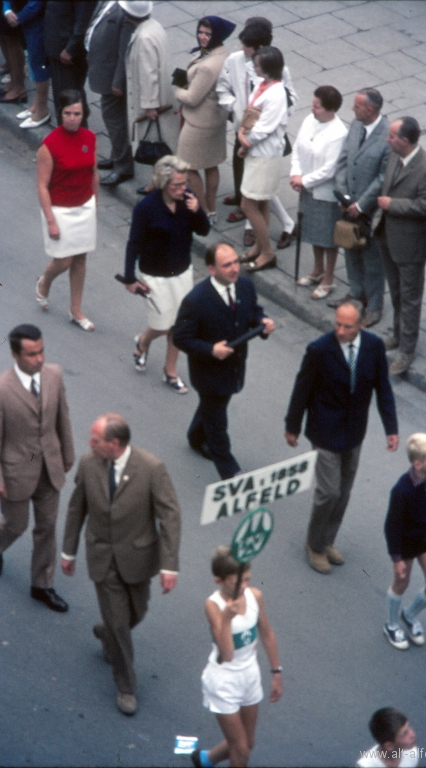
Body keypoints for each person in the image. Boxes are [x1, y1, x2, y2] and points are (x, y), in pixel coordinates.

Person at [61, 413, 181, 716]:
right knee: (119, 624)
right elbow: (77, 508)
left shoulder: (151, 468)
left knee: (136, 612)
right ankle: (126, 686)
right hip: (102, 556)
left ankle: (106, 633)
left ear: (114, 444)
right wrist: (68, 551)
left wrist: (169, 565)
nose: (90, 444)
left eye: (96, 440)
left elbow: (169, 517)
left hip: (137, 557)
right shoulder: (89, 464)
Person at [284, 300, 398, 574]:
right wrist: (293, 425)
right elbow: (302, 389)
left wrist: (390, 428)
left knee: (344, 491)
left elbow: (383, 388)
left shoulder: (373, 347)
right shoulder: (320, 350)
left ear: (361, 325)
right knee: (329, 491)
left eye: (347, 326)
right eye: (337, 323)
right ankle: (314, 545)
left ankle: (327, 540)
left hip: (354, 430)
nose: (340, 331)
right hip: (325, 430)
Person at [0, 324, 74, 612]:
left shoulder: (54, 375)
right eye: (32, 354)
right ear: (15, 354)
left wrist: (67, 456)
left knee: (47, 527)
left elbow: (63, 418)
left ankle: (42, 586)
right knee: (16, 525)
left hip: (49, 467)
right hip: (15, 473)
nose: (39, 359)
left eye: (41, 351)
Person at [173, 242, 275, 479]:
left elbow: (253, 313)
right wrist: (210, 349)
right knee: (217, 422)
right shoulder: (196, 300)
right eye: (226, 265)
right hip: (208, 372)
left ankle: (196, 437)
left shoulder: (245, 286)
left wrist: (263, 323)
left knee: (213, 408)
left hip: (234, 367)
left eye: (236, 262)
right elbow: (181, 338)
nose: (234, 269)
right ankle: (230, 473)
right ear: (211, 269)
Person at [123, 155, 210, 393]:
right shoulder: (146, 208)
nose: (182, 189)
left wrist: (197, 211)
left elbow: (204, 230)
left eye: (184, 184)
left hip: (181, 272)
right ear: (162, 183)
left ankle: (169, 370)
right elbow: (134, 243)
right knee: (162, 324)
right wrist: (129, 278)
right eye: (177, 185)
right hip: (154, 275)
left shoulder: (188, 201)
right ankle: (144, 341)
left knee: (178, 325)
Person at [193, 546, 282, 768]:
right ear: (219, 581)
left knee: (247, 743)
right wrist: (226, 619)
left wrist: (276, 672)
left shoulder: (255, 596)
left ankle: (206, 759)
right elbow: (228, 654)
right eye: (236, 582)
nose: (243, 587)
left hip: (250, 675)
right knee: (240, 750)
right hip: (223, 680)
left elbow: (267, 634)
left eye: (247, 580)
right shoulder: (213, 606)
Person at [216, 17, 297, 249]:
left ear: (261, 49)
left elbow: (289, 98)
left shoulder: (278, 73)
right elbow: (223, 87)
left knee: (257, 190)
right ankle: (284, 225)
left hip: (261, 139)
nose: (242, 50)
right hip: (245, 133)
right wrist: (233, 107)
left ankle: (254, 230)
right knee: (256, 187)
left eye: (247, 47)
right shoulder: (235, 61)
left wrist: (274, 116)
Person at [375, 117, 426, 375]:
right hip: (388, 237)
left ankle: (407, 350)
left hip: (411, 245)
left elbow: (425, 206)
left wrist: (393, 205)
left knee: (410, 299)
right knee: (396, 292)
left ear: (404, 140)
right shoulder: (394, 156)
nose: (388, 140)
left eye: (392, 137)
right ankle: (398, 335)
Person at [35, 89, 99, 330]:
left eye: (77, 113)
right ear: (60, 113)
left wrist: (95, 204)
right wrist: (51, 220)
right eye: (68, 113)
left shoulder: (90, 138)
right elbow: (42, 186)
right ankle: (44, 282)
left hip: (84, 206)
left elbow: (93, 174)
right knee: (63, 261)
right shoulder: (49, 145)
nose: (73, 118)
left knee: (80, 258)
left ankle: (76, 309)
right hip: (59, 209)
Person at [330, 88, 389, 327]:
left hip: (370, 211)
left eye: (357, 106)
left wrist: (361, 205)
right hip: (348, 205)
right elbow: (343, 160)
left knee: (372, 259)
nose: (352, 110)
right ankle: (356, 294)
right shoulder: (355, 126)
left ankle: (374, 306)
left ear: (370, 110)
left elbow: (383, 178)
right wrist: (344, 196)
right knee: (350, 248)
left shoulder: (387, 136)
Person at [383, 433, 426, 651]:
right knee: (401, 583)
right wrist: (397, 558)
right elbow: (391, 526)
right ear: (418, 464)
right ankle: (391, 624)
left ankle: (408, 615)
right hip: (406, 542)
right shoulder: (402, 490)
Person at [174, 15, 235, 221]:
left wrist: (177, 90)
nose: (202, 37)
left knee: (188, 167)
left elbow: (192, 98)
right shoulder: (223, 53)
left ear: (216, 35)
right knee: (211, 164)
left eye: (207, 34)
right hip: (215, 119)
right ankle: (211, 208)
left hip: (198, 123)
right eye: (200, 32)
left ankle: (204, 210)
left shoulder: (209, 66)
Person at [290, 85, 348, 298]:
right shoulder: (309, 120)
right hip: (306, 187)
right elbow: (297, 147)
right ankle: (317, 268)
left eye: (317, 106)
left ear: (330, 109)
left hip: (324, 193)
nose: (312, 109)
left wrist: (304, 180)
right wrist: (296, 175)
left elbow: (329, 170)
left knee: (328, 237)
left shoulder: (339, 133)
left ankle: (329, 278)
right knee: (313, 231)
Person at [238, 46, 289, 273]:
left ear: (267, 69)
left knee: (248, 204)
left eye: (257, 64)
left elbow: (264, 129)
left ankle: (267, 253)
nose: (254, 66)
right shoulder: (262, 84)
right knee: (262, 201)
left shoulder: (277, 94)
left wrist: (244, 140)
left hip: (265, 155)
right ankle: (260, 247)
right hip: (256, 152)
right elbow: (251, 113)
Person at [121, 0, 179, 194]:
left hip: (153, 102)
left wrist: (150, 105)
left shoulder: (144, 37)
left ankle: (162, 187)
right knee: (162, 147)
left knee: (157, 147)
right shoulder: (154, 26)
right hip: (163, 94)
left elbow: (148, 74)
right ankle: (158, 184)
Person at [85, 1, 134, 186]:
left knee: (115, 121)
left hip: (112, 75)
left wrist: (118, 81)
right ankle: (116, 156)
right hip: (102, 69)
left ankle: (123, 166)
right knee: (113, 119)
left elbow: (123, 52)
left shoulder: (126, 10)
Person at [44, 1, 94, 126]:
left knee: (71, 101)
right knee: (61, 99)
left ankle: (78, 138)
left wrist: (71, 48)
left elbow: (84, 22)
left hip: (67, 53)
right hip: (56, 47)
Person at [3, 1, 51, 129]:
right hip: (26, 21)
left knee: (38, 64)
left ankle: (42, 110)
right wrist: (7, 10)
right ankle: (37, 105)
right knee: (33, 61)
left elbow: (36, 4)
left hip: (38, 22)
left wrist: (17, 18)